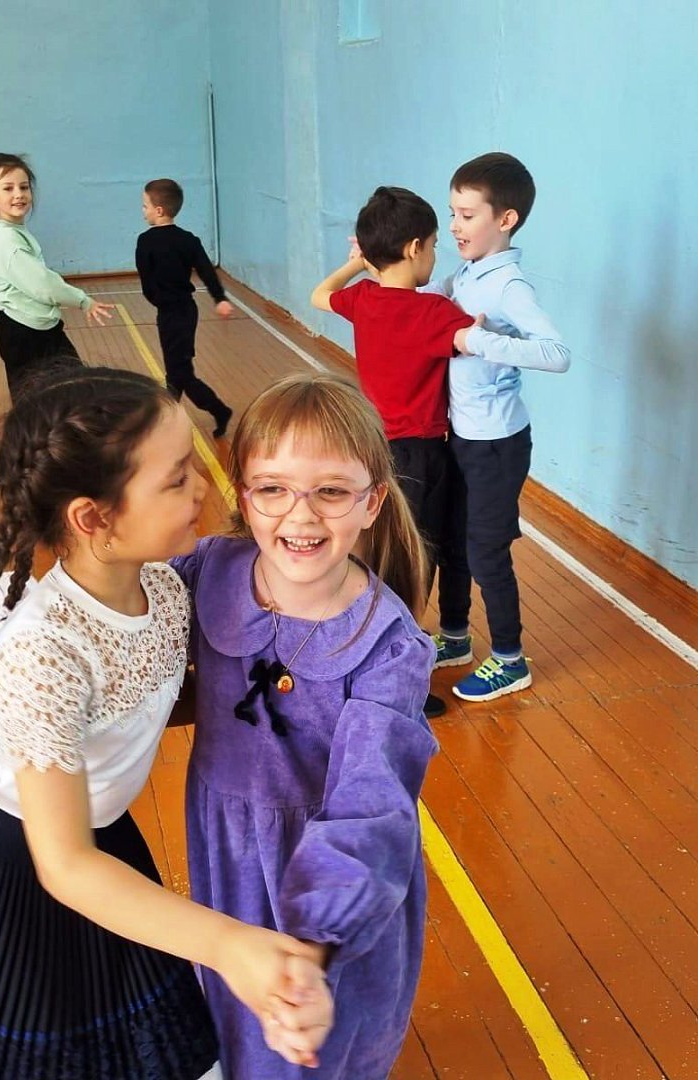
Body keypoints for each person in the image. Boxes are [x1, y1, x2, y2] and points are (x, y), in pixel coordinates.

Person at [0, 367, 332, 1079]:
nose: (204, 488)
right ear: (94, 519)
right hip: (16, 865)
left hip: (98, 842)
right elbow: (63, 865)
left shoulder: (161, 584)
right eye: (177, 478)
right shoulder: (47, 647)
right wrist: (229, 945)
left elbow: (145, 700)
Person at [171, 373, 440, 1079]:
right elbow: (120, 626)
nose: (301, 514)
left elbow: (370, 804)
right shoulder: (210, 572)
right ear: (244, 495)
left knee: (318, 1042)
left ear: (371, 502)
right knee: (237, 1022)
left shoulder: (388, 647)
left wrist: (314, 946)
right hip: (229, 850)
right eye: (273, 488)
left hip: (331, 867)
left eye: (330, 491)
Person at [310, 185, 477, 720]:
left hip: (375, 453)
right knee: (415, 563)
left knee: (382, 557)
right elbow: (484, 334)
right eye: (434, 245)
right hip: (422, 455)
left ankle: (370, 651)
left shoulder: (363, 299)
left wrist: (355, 263)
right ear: (413, 248)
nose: (435, 255)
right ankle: (395, 674)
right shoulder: (434, 312)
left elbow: (320, 295)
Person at [422, 152, 571, 701]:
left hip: (497, 443)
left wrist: (477, 340)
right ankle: (456, 637)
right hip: (462, 434)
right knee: (454, 541)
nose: (455, 226)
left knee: (485, 549)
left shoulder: (508, 285)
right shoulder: (467, 272)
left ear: (505, 219)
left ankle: (509, 659)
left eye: (467, 215)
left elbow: (556, 354)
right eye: (452, 214)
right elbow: (427, 302)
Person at [0, 152, 114, 400]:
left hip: (32, 328)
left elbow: (6, 282)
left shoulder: (11, 232)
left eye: (24, 187)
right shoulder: (8, 241)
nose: (18, 194)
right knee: (47, 402)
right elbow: (43, 284)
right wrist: (83, 300)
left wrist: (1, 312)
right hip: (28, 335)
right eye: (8, 188)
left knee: (61, 397)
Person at [135, 178, 233, 438]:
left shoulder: (145, 241)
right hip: (187, 311)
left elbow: (146, 281)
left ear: (159, 210)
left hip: (169, 314)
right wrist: (220, 298)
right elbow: (207, 272)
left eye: (145, 206)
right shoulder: (189, 240)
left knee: (181, 373)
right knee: (177, 369)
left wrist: (157, 299)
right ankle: (167, 418)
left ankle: (219, 410)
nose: (143, 211)